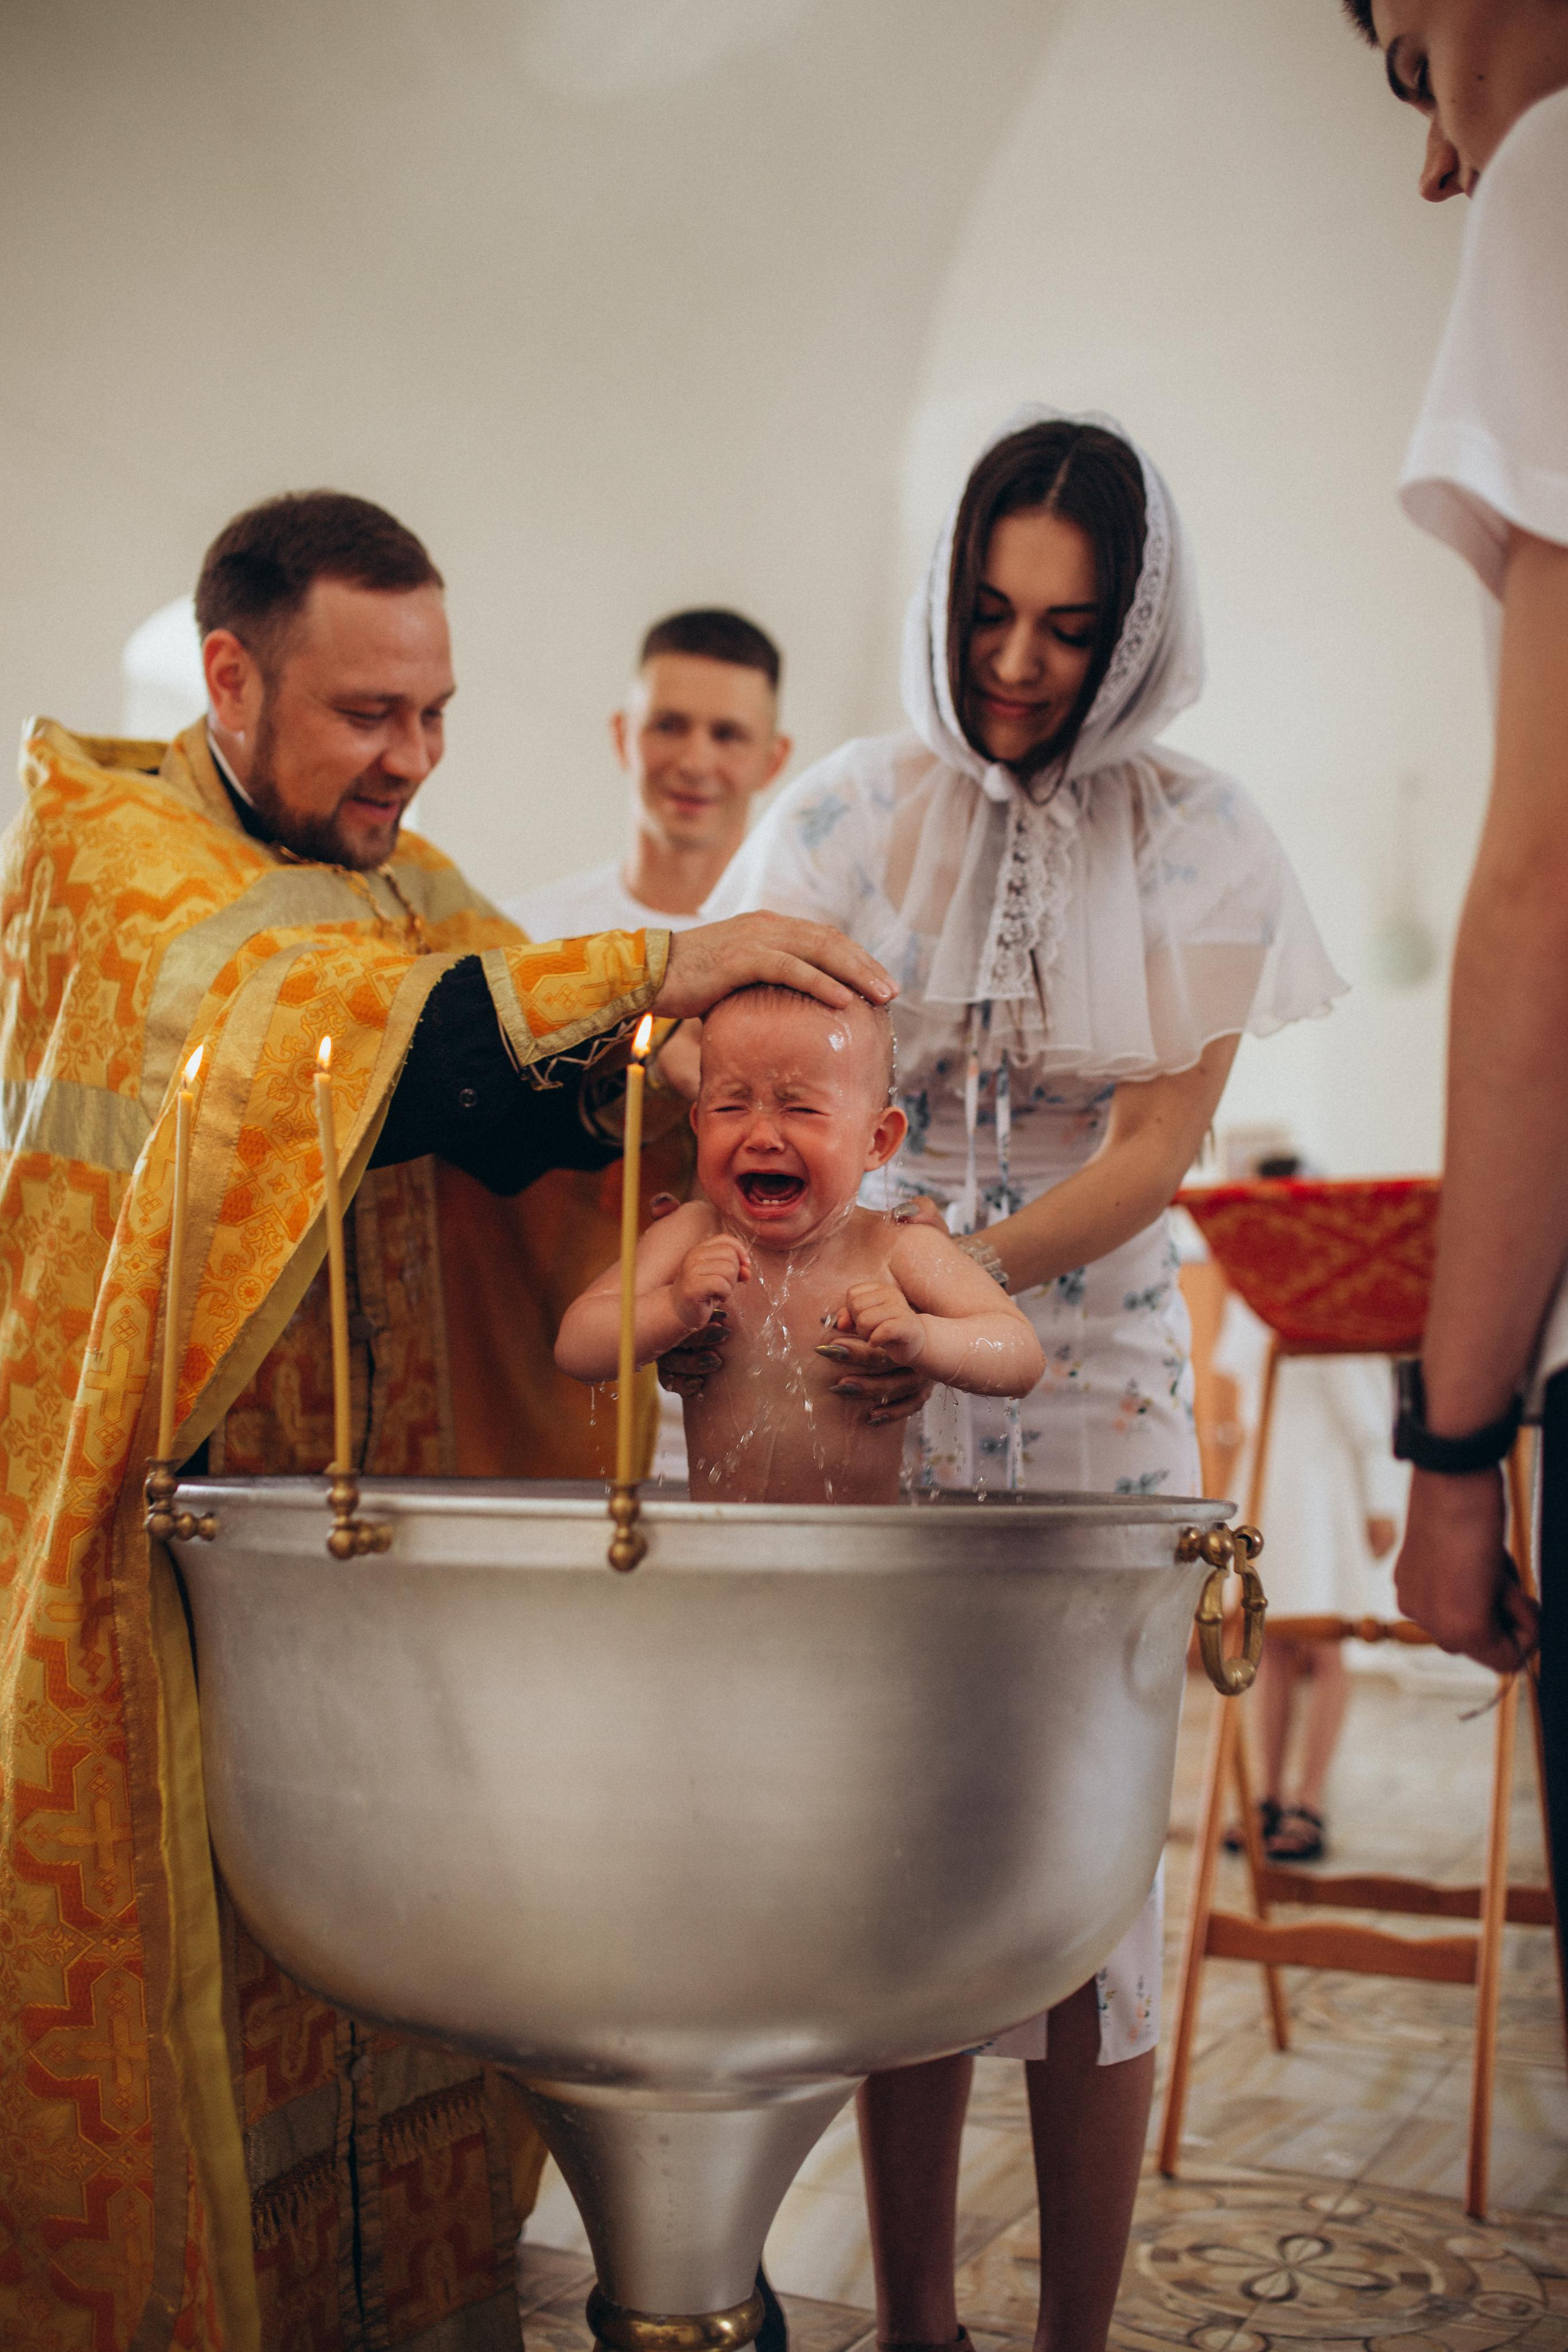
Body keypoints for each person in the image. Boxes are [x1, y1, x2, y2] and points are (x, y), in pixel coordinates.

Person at [0, 488, 897, 2352]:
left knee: (384, 1970)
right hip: (136, 1587)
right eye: (366, 713)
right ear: (232, 674)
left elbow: (514, 1098)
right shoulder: (110, 856)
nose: (411, 757)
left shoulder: (404, 881)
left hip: (349, 1586)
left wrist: (744, 1118)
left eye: (436, 712)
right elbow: (328, 1033)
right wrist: (662, 960)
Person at [704, 412, 1343, 2351]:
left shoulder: (1206, 834)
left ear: (1133, 630)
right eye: (987, 613)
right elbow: (730, 1058)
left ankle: (1069, 2329)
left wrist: (946, 1276)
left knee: (1081, 1902)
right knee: (906, 1878)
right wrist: (843, 1293)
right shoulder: (839, 810)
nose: (1015, 663)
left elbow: (1153, 1158)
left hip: (1094, 1392)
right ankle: (912, 2321)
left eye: (1067, 629)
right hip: (863, 1384)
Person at [1339, 0, 1568, 1962]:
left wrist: (1452, 1444)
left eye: (1412, 68)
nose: (1433, 160)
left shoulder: (1555, 174)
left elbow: (1549, 875)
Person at [503, 609, 792, 1486]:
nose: (696, 760)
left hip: (756, 1397)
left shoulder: (800, 945)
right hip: (559, 1388)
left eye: (728, 733)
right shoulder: (531, 940)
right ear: (624, 734)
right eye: (670, 724)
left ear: (773, 759)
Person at [557, 986, 1044, 1500]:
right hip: (723, 1550)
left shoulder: (895, 1247)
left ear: (876, 1141)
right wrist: (671, 1309)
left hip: (857, 1559)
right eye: (730, 1106)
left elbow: (1019, 1354)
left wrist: (925, 1340)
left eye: (802, 1110)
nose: (762, 1135)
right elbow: (576, 1346)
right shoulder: (693, 1233)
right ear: (698, 1124)